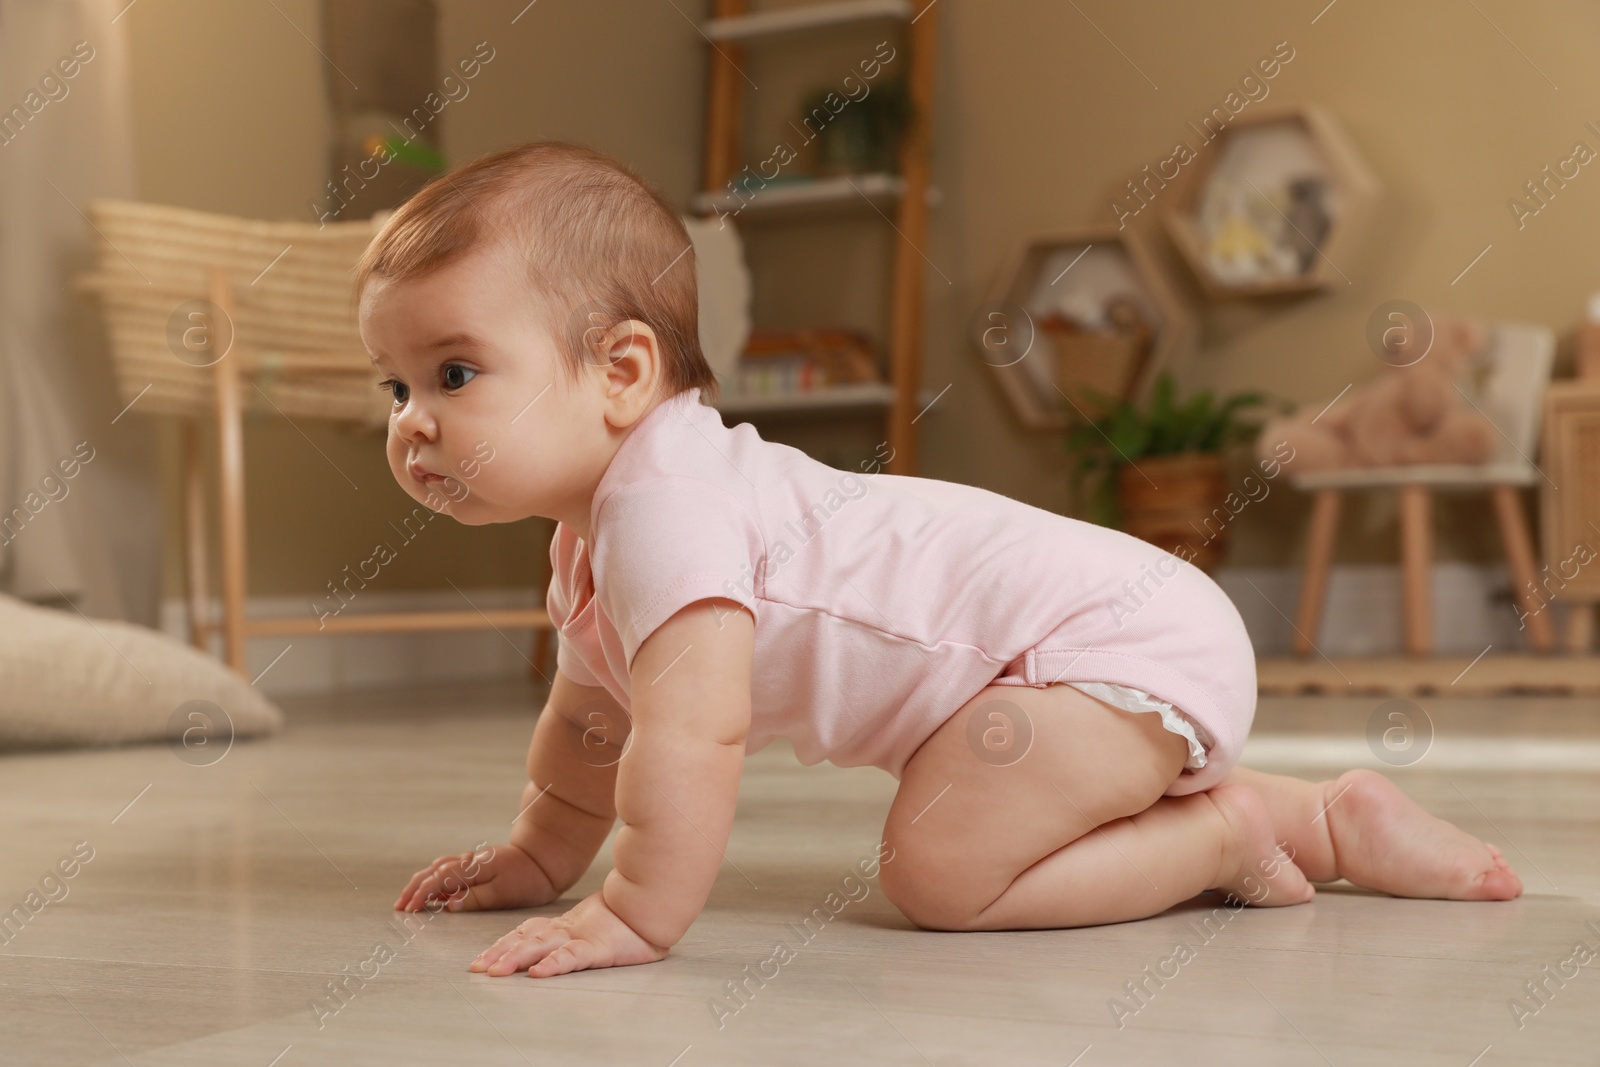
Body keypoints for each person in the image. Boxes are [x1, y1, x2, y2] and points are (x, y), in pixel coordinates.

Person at [359, 141, 1522, 980]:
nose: (413, 418)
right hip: (1109, 639)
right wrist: (532, 855)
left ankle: (1215, 835)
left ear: (620, 373)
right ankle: (1323, 819)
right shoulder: (596, 536)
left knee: (940, 869)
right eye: (395, 385)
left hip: (1100, 642)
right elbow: (591, 730)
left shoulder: (672, 508)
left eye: (454, 374)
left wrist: (632, 913)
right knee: (985, 807)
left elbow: (688, 735)